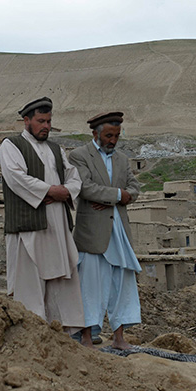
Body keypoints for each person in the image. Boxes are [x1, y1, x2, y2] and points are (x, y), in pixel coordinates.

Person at [0, 96, 90, 346]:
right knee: (30, 280)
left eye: (49, 121)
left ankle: (62, 333)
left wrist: (64, 191)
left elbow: (75, 179)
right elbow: (17, 179)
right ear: (26, 121)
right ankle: (32, 335)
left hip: (57, 227)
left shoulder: (56, 150)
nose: (46, 126)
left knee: (61, 278)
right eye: (40, 121)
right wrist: (51, 191)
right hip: (28, 228)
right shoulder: (11, 145)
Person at [69, 111, 142, 350]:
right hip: (93, 232)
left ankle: (119, 338)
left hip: (119, 230)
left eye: (116, 136)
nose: (113, 140)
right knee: (90, 285)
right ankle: (87, 338)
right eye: (108, 135)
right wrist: (119, 195)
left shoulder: (121, 159)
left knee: (122, 283)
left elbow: (135, 188)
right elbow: (86, 188)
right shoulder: (79, 156)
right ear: (95, 134)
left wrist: (114, 197)